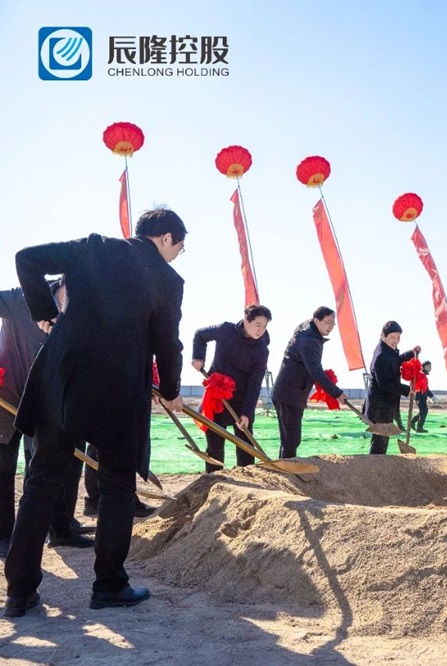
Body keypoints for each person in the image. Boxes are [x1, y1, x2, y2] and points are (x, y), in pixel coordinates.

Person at [3, 207, 187, 618]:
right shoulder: (167, 279)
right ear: (166, 238)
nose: (177, 256)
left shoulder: (94, 247)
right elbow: (166, 342)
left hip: (62, 378)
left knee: (41, 479)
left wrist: (44, 314)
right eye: (180, 248)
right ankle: (108, 585)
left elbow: (26, 258)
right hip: (119, 389)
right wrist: (172, 391)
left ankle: (18, 592)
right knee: (117, 487)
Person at [0, 283, 93, 559]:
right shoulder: (22, 298)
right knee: (3, 467)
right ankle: (4, 534)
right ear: (65, 281)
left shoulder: (84, 313)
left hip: (50, 400)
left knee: (51, 467)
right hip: (9, 395)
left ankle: (60, 529)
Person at [191, 305, 272, 472]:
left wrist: (247, 413)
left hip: (241, 399)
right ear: (246, 320)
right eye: (258, 325)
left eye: (264, 326)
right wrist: (198, 357)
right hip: (217, 395)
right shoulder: (225, 330)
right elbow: (200, 335)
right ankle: (213, 478)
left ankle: (247, 477)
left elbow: (255, 383)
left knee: (245, 444)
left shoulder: (262, 349)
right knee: (214, 442)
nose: (261, 330)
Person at [271, 307, 343, 460]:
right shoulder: (309, 339)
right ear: (316, 320)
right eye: (328, 322)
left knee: (291, 439)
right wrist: (336, 393)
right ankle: (286, 470)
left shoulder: (309, 332)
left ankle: (286, 466)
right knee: (291, 439)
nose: (330, 327)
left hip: (295, 393)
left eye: (333, 323)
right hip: (288, 393)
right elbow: (315, 370)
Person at [365, 321, 419, 454]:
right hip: (379, 406)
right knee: (380, 440)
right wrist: (406, 390)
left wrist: (410, 354)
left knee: (382, 439)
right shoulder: (381, 356)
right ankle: (376, 466)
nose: (395, 341)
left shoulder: (387, 351)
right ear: (383, 335)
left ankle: (378, 464)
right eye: (392, 337)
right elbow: (384, 384)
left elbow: (395, 361)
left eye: (398, 338)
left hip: (386, 405)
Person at [410, 360, 434, 433]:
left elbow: (425, 388)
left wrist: (431, 396)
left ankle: (412, 422)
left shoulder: (424, 376)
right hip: (419, 397)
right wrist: (417, 398)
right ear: (425, 366)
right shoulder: (420, 375)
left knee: (423, 411)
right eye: (429, 366)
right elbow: (417, 387)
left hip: (422, 397)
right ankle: (419, 427)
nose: (430, 368)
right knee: (424, 411)